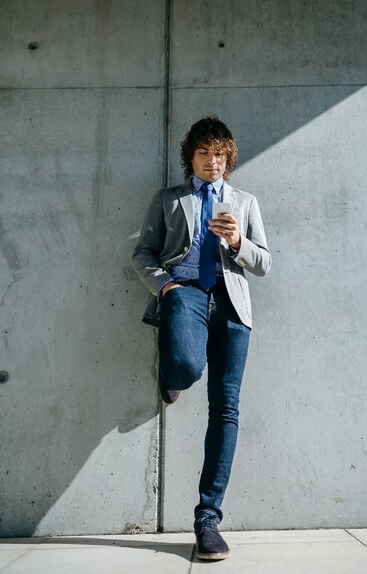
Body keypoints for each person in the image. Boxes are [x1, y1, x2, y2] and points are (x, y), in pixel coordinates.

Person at [132, 115, 271, 560]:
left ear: (228, 158)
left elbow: (265, 263)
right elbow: (143, 251)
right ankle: (173, 372)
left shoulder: (245, 202)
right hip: (186, 295)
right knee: (188, 367)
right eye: (203, 153)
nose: (212, 162)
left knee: (226, 408)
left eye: (219, 154)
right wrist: (165, 285)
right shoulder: (169, 199)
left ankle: (208, 519)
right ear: (190, 157)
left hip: (231, 305)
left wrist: (236, 244)